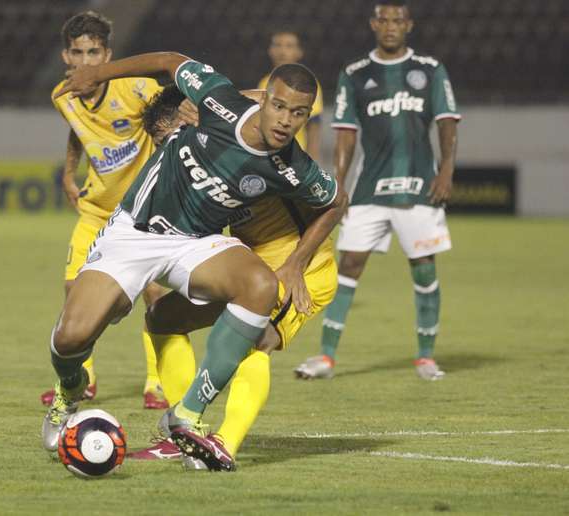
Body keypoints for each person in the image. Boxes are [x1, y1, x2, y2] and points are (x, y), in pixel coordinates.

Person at [41, 51, 346, 473]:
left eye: (298, 113)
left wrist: (295, 264)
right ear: (263, 102)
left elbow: (335, 201)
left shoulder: (293, 167)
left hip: (226, 249)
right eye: (278, 106)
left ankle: (197, 424)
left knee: (259, 313)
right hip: (137, 233)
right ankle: (70, 388)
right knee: (84, 334)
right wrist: (97, 74)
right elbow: (171, 61)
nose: (285, 120)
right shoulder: (217, 104)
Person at [127, 85, 339, 470]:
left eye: (165, 139)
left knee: (255, 340)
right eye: (158, 145)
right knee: (163, 317)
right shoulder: (191, 164)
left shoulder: (241, 133)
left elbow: (261, 98)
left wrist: (294, 266)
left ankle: (226, 442)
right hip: (246, 265)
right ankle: (183, 434)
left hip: (298, 269)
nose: (165, 150)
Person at [294, 0, 460, 381]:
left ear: (409, 25)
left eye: (397, 20)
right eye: (383, 20)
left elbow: (447, 122)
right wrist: (337, 184)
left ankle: (425, 357)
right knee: (348, 264)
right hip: (370, 188)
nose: (390, 26)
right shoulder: (355, 74)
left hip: (419, 188)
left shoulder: (430, 71)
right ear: (373, 24)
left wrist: (447, 170)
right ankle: (326, 357)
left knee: (423, 267)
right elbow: (346, 135)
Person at [41, 11, 191, 409]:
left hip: (144, 214)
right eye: (78, 52)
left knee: (156, 297)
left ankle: (156, 383)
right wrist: (69, 172)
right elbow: (78, 131)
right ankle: (83, 379)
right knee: (75, 296)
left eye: (94, 52)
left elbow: (171, 113)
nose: (86, 61)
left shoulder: (136, 88)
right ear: (65, 57)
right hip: (95, 211)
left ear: (107, 54)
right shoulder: (62, 96)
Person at [258, 31, 323, 161]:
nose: (282, 51)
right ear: (270, 50)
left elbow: (313, 128)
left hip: (293, 161)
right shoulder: (263, 83)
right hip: (265, 159)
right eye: (278, 45)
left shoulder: (307, 85)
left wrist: (312, 165)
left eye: (289, 46)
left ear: (299, 52)